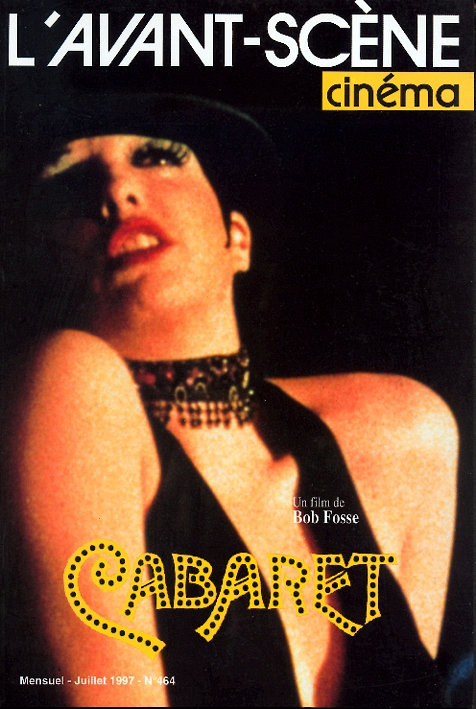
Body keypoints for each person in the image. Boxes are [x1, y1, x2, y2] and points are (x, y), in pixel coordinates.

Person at [7, 95, 457, 707]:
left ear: (237, 239)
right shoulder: (67, 383)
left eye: (157, 157)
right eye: (66, 179)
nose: (116, 190)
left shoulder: (401, 432)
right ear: (39, 258)